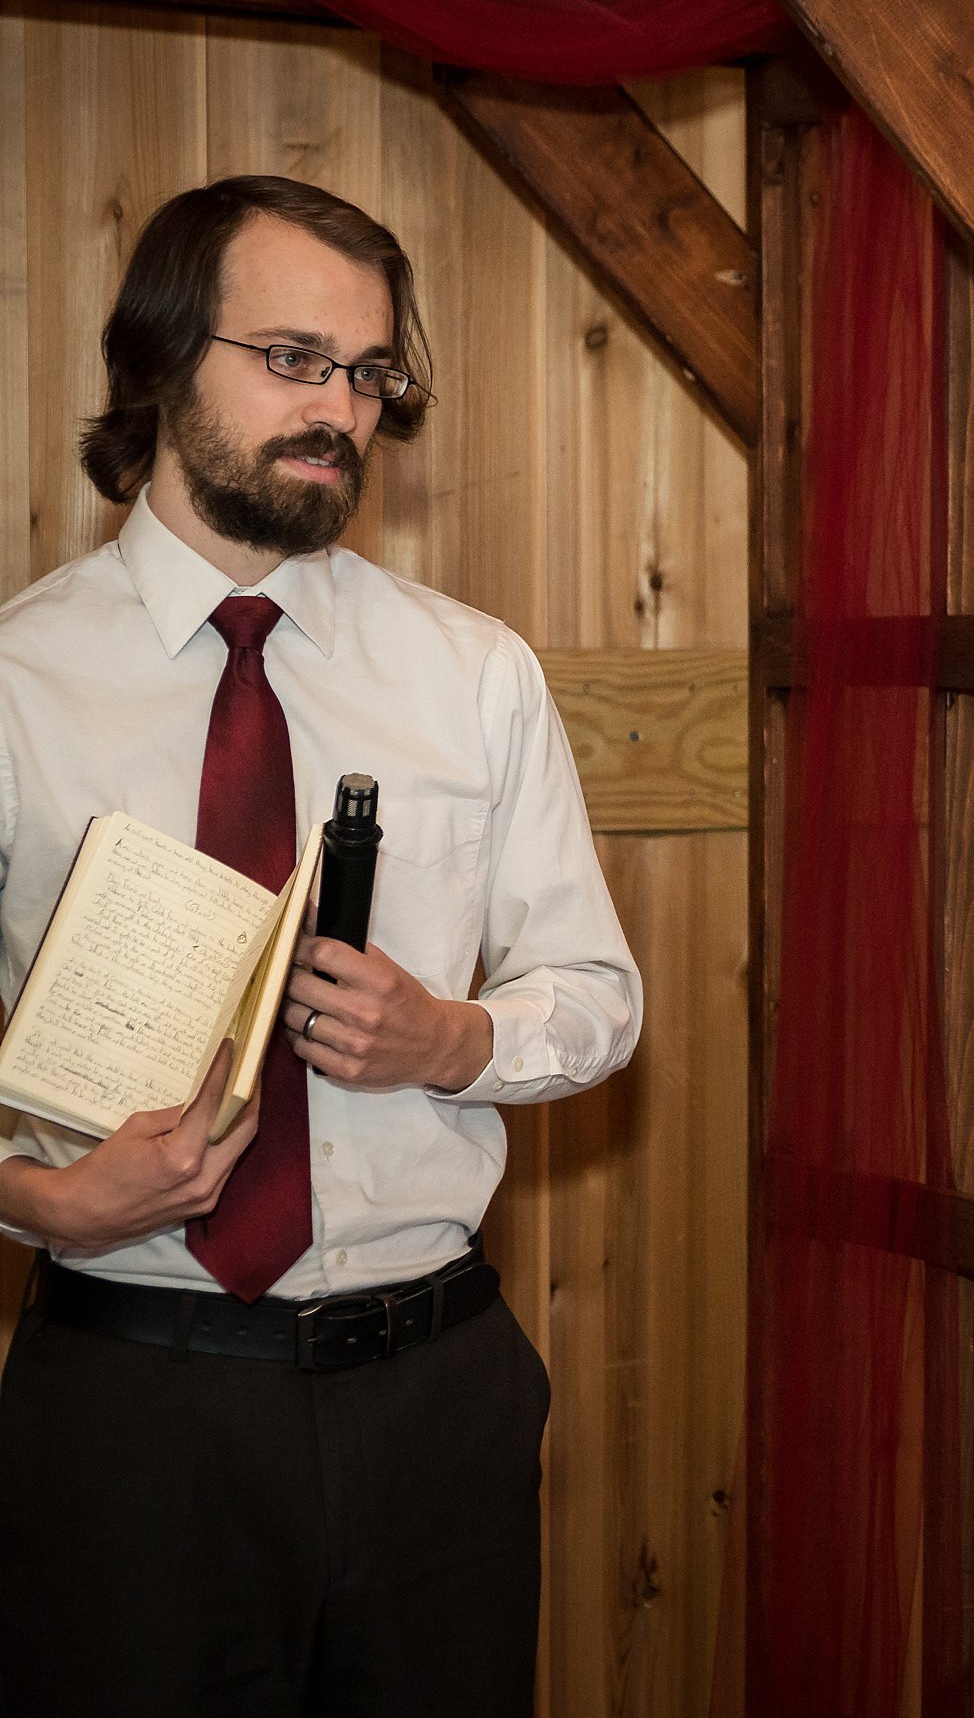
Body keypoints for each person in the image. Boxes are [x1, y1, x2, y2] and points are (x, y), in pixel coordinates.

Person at [0, 176, 641, 1714]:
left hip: (435, 1393)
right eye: (293, 357)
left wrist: (460, 1038)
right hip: (129, 1400)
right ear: (161, 357)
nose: (338, 411)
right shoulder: (15, 685)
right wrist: (40, 1194)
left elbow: (599, 996)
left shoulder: (472, 673)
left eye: (367, 372)